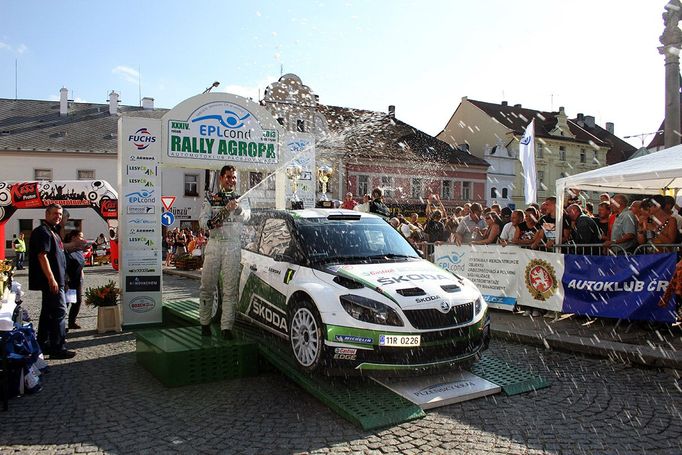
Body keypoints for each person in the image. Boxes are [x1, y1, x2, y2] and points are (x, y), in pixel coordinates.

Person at [199, 165, 249, 340]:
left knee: (230, 290)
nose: (231, 180)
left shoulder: (241, 199)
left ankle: (226, 327)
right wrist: (214, 222)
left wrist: (236, 208)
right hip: (214, 244)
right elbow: (203, 222)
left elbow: (247, 217)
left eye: (234, 177)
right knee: (207, 286)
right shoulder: (211, 198)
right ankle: (204, 324)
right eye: (228, 177)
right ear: (221, 178)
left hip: (233, 246)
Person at [28, 204, 76, 359]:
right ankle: (58, 348)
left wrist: (64, 279)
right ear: (47, 214)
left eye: (60, 214)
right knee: (59, 312)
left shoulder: (52, 231)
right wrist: (52, 279)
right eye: (55, 213)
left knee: (48, 313)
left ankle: (44, 344)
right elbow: (42, 256)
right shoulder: (43, 232)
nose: (58, 216)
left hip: (58, 281)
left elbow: (58, 257)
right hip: (51, 282)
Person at [64, 230, 85, 330]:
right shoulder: (67, 251)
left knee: (77, 301)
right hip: (69, 281)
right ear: (73, 237)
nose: (82, 239)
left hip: (77, 280)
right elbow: (63, 266)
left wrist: (82, 272)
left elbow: (80, 263)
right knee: (66, 303)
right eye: (80, 237)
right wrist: (65, 281)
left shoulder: (79, 249)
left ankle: (72, 322)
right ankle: (61, 325)